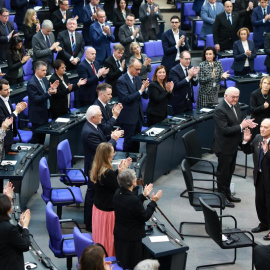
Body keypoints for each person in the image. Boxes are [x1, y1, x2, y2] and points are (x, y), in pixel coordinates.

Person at [213, 87, 257, 208]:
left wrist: (246, 123)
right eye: (233, 97)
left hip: (233, 145)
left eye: (237, 97)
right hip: (224, 147)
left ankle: (227, 194)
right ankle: (221, 197)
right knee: (223, 173)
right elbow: (225, 130)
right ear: (225, 96)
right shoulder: (220, 110)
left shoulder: (236, 105)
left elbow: (237, 122)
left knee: (230, 171)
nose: (236, 99)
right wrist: (241, 126)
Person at [81, 105, 123, 231]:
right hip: (93, 167)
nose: (102, 117)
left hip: (96, 164)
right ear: (93, 118)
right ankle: (89, 224)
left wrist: (110, 136)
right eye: (100, 115)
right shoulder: (89, 132)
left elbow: (103, 141)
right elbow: (102, 150)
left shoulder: (93, 126)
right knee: (92, 194)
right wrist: (114, 139)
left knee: (93, 193)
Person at [113, 169, 162, 269]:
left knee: (121, 262)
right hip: (131, 240)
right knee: (132, 265)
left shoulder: (118, 193)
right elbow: (145, 216)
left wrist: (143, 195)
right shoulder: (133, 200)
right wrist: (153, 202)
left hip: (119, 235)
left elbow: (129, 204)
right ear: (132, 182)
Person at [90, 142, 131, 256]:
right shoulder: (107, 173)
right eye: (113, 152)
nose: (114, 154)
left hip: (99, 210)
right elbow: (120, 190)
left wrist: (118, 172)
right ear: (107, 155)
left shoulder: (98, 167)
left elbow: (109, 183)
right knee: (108, 238)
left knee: (100, 237)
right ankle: (108, 259)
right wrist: (123, 172)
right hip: (108, 213)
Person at [242, 119, 270, 240]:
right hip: (259, 177)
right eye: (261, 126)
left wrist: (267, 152)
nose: (262, 129)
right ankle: (264, 224)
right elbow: (248, 151)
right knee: (260, 203)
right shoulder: (258, 138)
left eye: (266, 127)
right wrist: (246, 141)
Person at [117, 58, 149, 152]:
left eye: (140, 69)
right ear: (130, 67)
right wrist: (141, 90)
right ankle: (126, 163)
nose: (139, 72)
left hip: (138, 116)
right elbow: (126, 99)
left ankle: (135, 161)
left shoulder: (138, 78)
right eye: (137, 69)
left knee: (136, 141)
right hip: (128, 117)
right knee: (129, 141)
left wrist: (145, 89)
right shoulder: (121, 81)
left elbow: (145, 96)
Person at [0, 181, 31, 270]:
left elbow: (9, 236)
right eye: (10, 203)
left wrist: (19, 225)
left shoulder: (5, 226)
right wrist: (25, 226)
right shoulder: (8, 228)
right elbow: (25, 246)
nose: (12, 204)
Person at [27, 61, 59, 144]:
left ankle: (41, 153)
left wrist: (52, 89)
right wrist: (49, 93)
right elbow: (36, 99)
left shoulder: (44, 79)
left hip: (45, 112)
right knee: (37, 139)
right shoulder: (31, 83)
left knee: (43, 137)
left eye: (46, 70)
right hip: (37, 115)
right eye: (43, 70)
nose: (45, 72)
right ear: (37, 71)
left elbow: (47, 92)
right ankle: (35, 155)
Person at [0, 79, 27, 154]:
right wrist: (16, 111)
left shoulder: (7, 98)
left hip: (10, 135)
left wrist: (17, 110)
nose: (9, 91)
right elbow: (4, 121)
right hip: (3, 137)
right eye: (6, 90)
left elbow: (10, 113)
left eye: (9, 88)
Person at [169, 50, 199, 115]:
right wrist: (189, 77)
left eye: (189, 59)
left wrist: (194, 76)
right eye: (186, 59)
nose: (188, 61)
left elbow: (195, 84)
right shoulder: (174, 70)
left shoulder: (190, 67)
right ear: (180, 59)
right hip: (179, 103)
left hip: (189, 102)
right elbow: (177, 85)